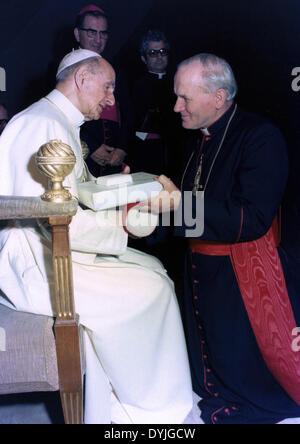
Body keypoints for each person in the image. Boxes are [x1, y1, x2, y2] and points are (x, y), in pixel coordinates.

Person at [0, 49, 193, 424]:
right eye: (107, 87)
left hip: (51, 245)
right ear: (81, 79)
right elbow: (50, 216)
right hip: (35, 261)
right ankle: (146, 411)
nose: (111, 99)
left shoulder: (55, 120)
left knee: (152, 267)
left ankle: (120, 404)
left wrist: (130, 190)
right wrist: (123, 222)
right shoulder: (43, 124)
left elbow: (74, 194)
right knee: (152, 288)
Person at [141, 53, 300, 424]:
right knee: (211, 361)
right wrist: (149, 215)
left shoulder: (260, 137)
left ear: (217, 97)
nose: (176, 106)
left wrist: (178, 203)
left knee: (245, 366)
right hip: (201, 265)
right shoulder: (200, 137)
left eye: (184, 98)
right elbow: (195, 202)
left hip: (241, 273)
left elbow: (252, 218)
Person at [74, 4, 130, 176]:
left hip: (115, 158)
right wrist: (89, 146)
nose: (98, 40)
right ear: (77, 34)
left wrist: (122, 148)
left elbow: (129, 114)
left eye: (103, 33)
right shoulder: (63, 69)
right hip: (81, 154)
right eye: (91, 32)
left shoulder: (116, 70)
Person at [129, 29, 182, 177]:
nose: (159, 56)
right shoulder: (135, 86)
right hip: (145, 153)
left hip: (176, 150)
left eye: (163, 51)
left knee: (180, 196)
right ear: (144, 58)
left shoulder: (179, 82)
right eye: (152, 53)